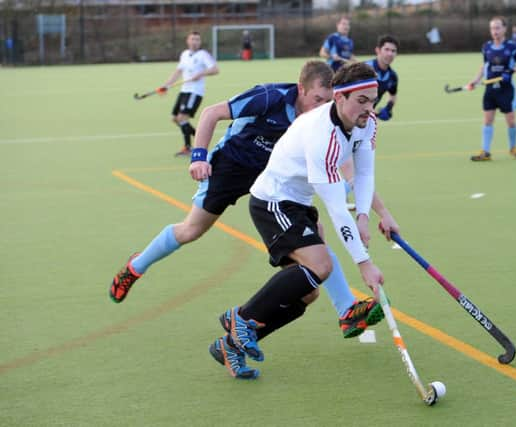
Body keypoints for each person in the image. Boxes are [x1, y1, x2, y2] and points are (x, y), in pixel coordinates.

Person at [110, 62, 387, 367]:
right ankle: (135, 267)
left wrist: (376, 212)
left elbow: (352, 167)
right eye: (317, 99)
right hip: (233, 166)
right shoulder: (270, 97)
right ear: (302, 90)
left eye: (326, 100)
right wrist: (199, 158)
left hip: (277, 177)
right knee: (191, 230)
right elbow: (211, 113)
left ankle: (345, 308)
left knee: (314, 236)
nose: (321, 106)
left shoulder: (327, 125)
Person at [211, 62, 386, 379]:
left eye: (373, 100)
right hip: (272, 200)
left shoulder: (368, 123)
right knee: (320, 266)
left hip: (298, 203)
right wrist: (364, 264)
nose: (369, 108)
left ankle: (230, 345)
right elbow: (335, 208)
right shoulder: (322, 134)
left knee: (307, 293)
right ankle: (241, 318)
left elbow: (364, 172)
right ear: (340, 97)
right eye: (362, 101)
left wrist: (365, 216)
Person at [466, 16, 516, 162]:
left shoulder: (512, 47)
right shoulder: (486, 47)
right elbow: (484, 66)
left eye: (498, 28)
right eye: (492, 28)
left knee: (511, 121)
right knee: (488, 121)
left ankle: (513, 148)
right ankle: (485, 152)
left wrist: (511, 71)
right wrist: (475, 80)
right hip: (490, 89)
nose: (495, 31)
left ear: (504, 29)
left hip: (506, 90)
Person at [159, 31, 219, 157]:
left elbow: (215, 69)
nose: (195, 42)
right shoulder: (185, 54)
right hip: (184, 91)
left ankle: (189, 147)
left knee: (182, 118)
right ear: (188, 41)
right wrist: (166, 85)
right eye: (193, 39)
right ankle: (199, 136)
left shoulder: (203, 55)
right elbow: (178, 71)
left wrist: (201, 74)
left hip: (195, 92)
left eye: (197, 39)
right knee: (175, 119)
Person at [365, 35, 399, 122]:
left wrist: (388, 108)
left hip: (365, 120)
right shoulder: (364, 69)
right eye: (386, 49)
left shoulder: (392, 76)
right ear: (378, 50)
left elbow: (393, 95)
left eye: (393, 51)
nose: (390, 54)